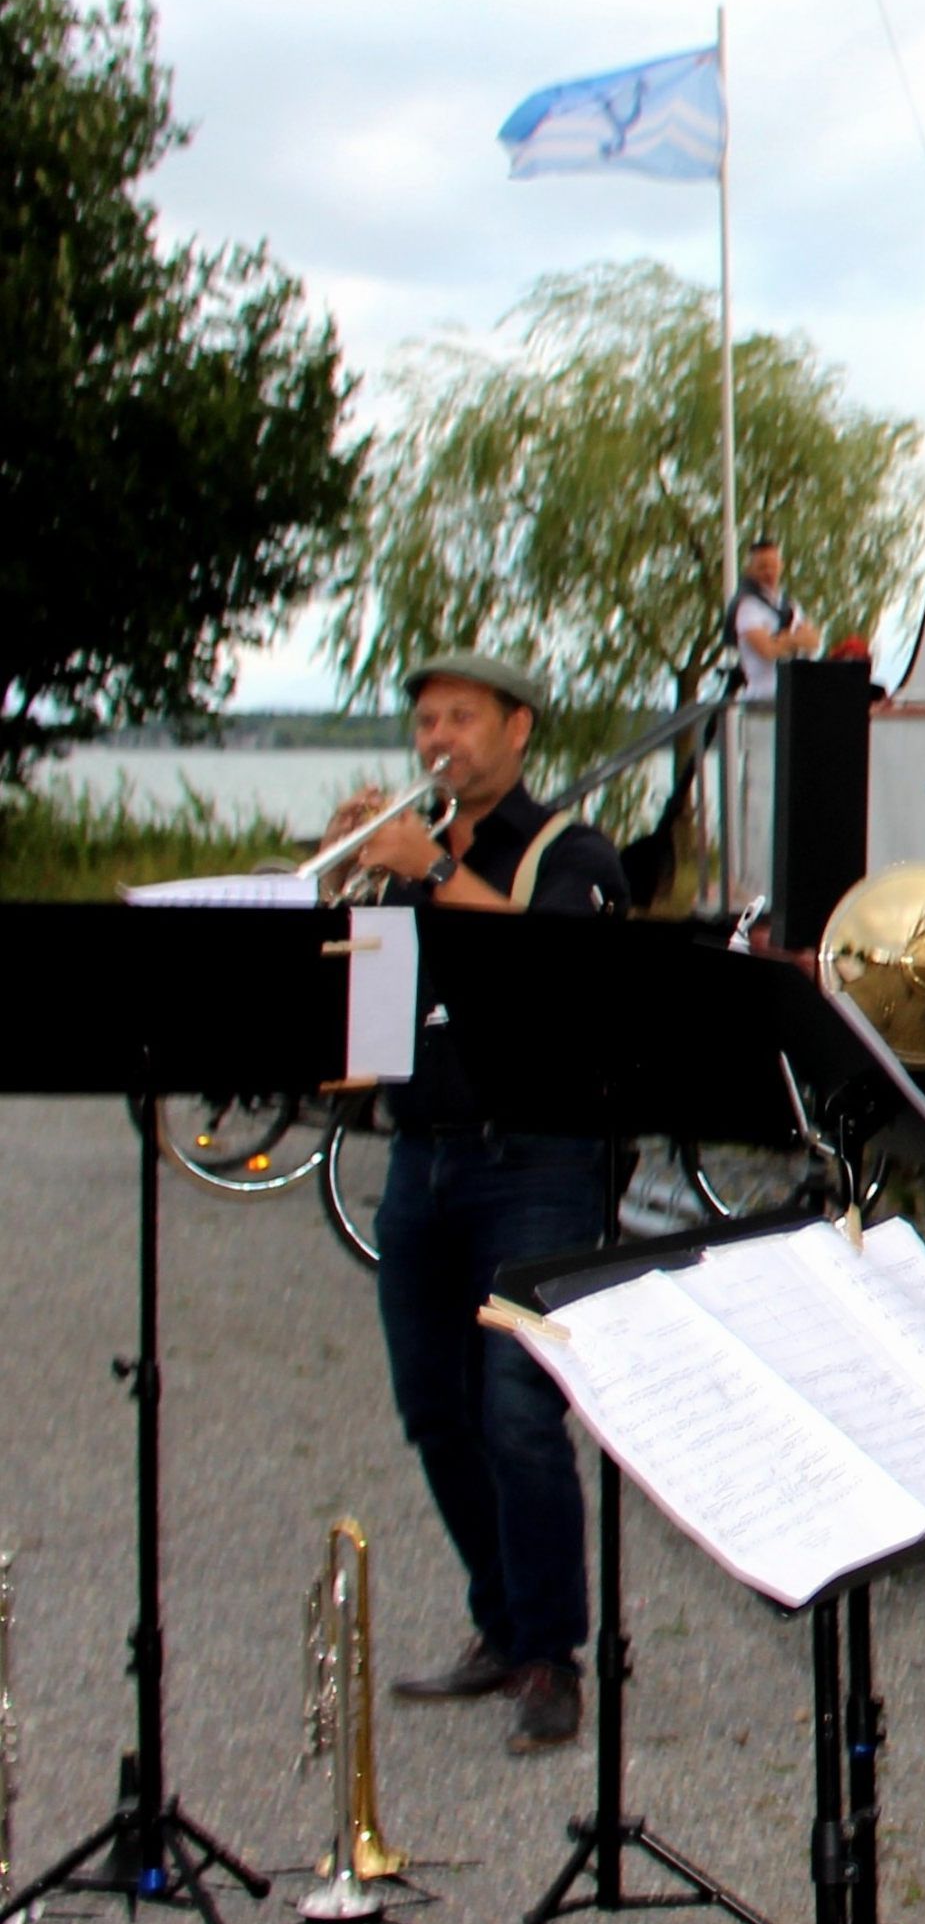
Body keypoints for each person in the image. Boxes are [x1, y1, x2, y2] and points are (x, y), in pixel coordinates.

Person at [333, 652, 628, 1754]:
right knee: (435, 1406)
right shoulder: (408, 851)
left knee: (517, 1411)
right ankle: (501, 1624)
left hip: (537, 1159)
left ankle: (552, 1655)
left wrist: (435, 870)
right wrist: (356, 889)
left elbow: (554, 978)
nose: (438, 740)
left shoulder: (570, 852)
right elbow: (370, 1017)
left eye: (461, 718)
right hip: (423, 1155)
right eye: (425, 722)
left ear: (517, 730)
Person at [729, 537, 821, 705]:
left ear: (781, 565)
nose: (769, 572)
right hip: (763, 700)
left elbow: (813, 641)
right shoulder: (748, 607)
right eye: (762, 567)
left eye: (773, 565)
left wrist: (784, 640)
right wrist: (795, 640)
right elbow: (767, 650)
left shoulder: (791, 606)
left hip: (794, 697)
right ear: (750, 570)